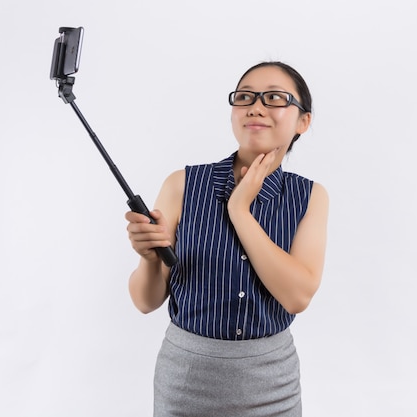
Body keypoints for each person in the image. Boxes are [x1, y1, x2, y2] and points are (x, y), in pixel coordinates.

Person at [125, 61, 329, 417]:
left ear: (303, 121)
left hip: (273, 385)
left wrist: (240, 210)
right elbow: (146, 301)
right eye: (246, 96)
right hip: (185, 382)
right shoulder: (182, 185)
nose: (256, 106)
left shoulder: (309, 196)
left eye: (275, 98)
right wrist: (148, 258)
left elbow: (297, 296)